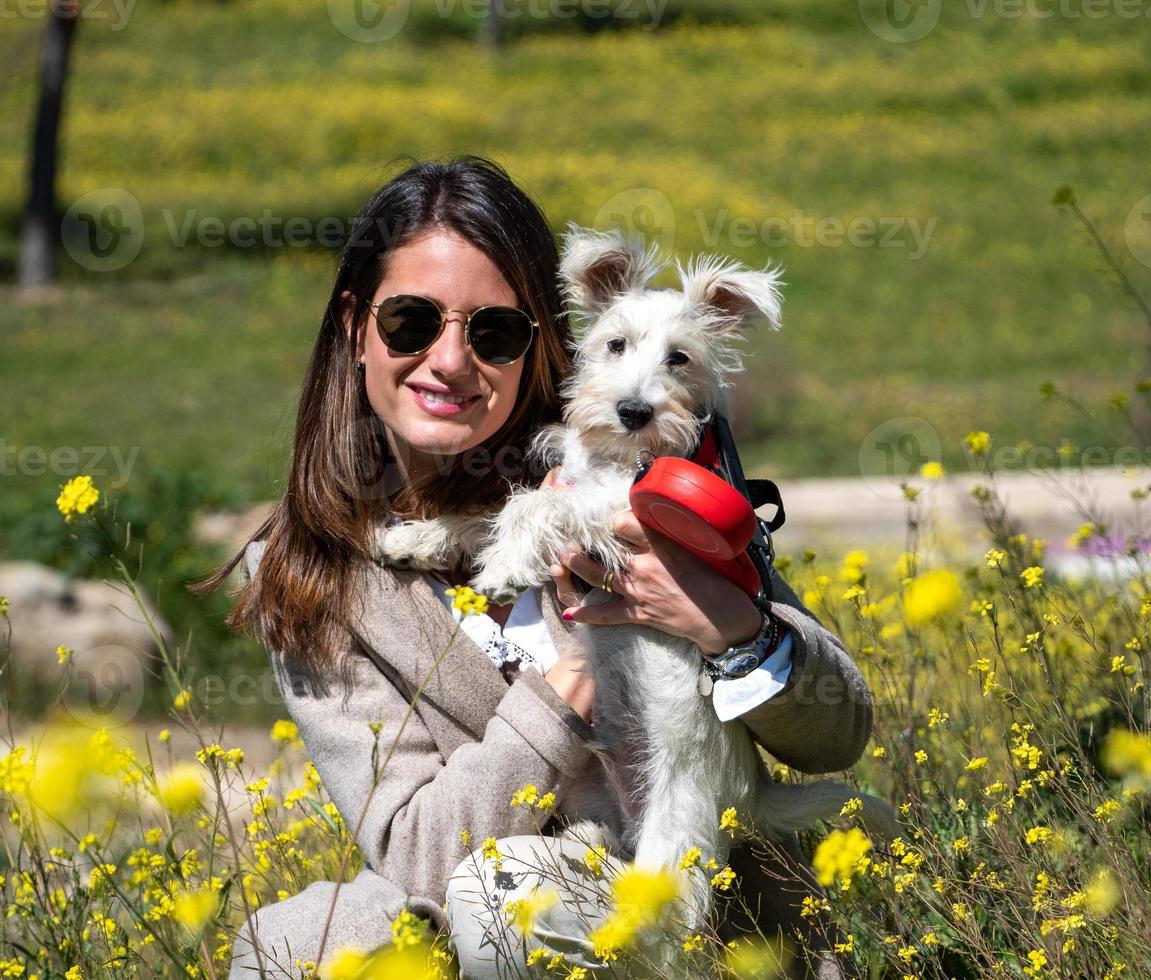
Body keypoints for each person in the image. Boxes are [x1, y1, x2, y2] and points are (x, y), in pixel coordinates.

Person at [199, 156, 874, 979]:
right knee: (333, 940)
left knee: (506, 900)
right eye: (411, 321)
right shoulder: (314, 581)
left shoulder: (646, 475)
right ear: (354, 325)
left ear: (541, 338)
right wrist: (573, 680)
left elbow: (839, 731)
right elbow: (414, 854)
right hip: (518, 901)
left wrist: (732, 628)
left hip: (697, 897)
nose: (449, 362)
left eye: (493, 332)